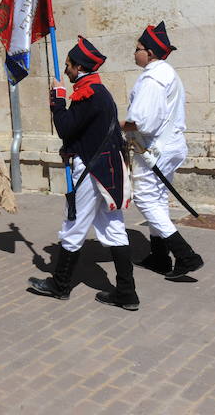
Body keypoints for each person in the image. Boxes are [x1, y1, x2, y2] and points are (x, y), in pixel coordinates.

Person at [29, 37, 138, 310]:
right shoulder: (97, 91)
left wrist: (58, 99)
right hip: (105, 169)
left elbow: (66, 127)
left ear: (79, 66)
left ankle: (60, 285)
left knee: (73, 226)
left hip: (92, 171)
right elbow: (86, 132)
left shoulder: (88, 93)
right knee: (114, 229)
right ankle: (127, 292)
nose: (65, 70)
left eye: (68, 65)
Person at [125, 22, 203, 279]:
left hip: (155, 149)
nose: (134, 53)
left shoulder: (153, 77)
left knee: (146, 199)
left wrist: (113, 124)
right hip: (169, 146)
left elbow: (141, 122)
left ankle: (185, 255)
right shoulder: (167, 72)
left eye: (137, 48)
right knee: (157, 199)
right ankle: (159, 257)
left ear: (150, 52)